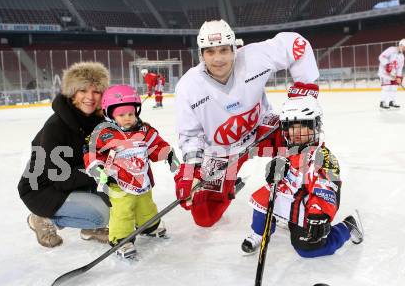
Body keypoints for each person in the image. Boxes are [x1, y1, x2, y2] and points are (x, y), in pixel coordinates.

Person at [174, 19, 320, 228]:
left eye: (224, 50)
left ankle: (315, 197)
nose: (218, 59)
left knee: (305, 134)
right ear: (201, 54)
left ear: (235, 49)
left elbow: (296, 44)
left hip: (261, 132)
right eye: (210, 52)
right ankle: (230, 183)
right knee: (204, 217)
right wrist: (191, 173)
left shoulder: (253, 58)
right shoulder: (188, 87)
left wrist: (305, 92)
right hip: (221, 153)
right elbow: (190, 136)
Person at [241, 95, 364, 257]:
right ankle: (259, 233)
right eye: (291, 127)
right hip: (295, 198)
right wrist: (275, 168)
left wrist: (317, 214)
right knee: (264, 197)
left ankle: (348, 226)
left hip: (311, 205)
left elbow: (324, 189)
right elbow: (286, 169)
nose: (296, 132)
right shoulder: (291, 150)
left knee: (308, 249)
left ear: (314, 127)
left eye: (302, 126)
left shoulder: (322, 156)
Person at [18, 61, 111, 248]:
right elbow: (58, 178)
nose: (90, 97)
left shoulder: (97, 120)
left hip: (73, 180)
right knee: (102, 213)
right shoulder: (56, 127)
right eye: (83, 91)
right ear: (72, 93)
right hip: (42, 189)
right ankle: (43, 219)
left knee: (118, 201)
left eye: (96, 92)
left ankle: (90, 228)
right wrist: (102, 170)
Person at [84, 84, 175, 259]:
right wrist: (99, 170)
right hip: (118, 182)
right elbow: (92, 154)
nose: (127, 118)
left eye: (131, 114)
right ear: (110, 114)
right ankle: (121, 240)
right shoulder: (103, 134)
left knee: (146, 205)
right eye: (121, 114)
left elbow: (157, 146)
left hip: (142, 180)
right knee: (122, 211)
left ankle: (150, 226)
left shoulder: (144, 130)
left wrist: (167, 153)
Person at [378, 39, 405, 109]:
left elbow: (399, 68)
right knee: (386, 87)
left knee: (394, 88)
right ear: (401, 45)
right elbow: (381, 56)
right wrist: (387, 64)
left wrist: (399, 77)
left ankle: (391, 102)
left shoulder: (402, 57)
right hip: (384, 73)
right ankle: (382, 102)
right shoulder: (391, 49)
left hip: (393, 74)